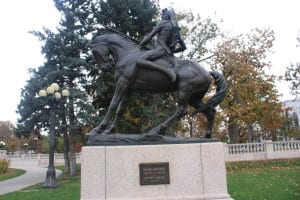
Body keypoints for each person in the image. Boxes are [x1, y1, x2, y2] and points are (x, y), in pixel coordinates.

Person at [137, 8, 186, 82]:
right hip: (166, 52)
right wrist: (170, 51)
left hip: (160, 50)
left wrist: (139, 46)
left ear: (167, 15)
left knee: (140, 60)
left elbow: (150, 37)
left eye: (163, 15)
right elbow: (183, 47)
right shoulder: (175, 28)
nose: (161, 16)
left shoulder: (162, 23)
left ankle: (167, 71)